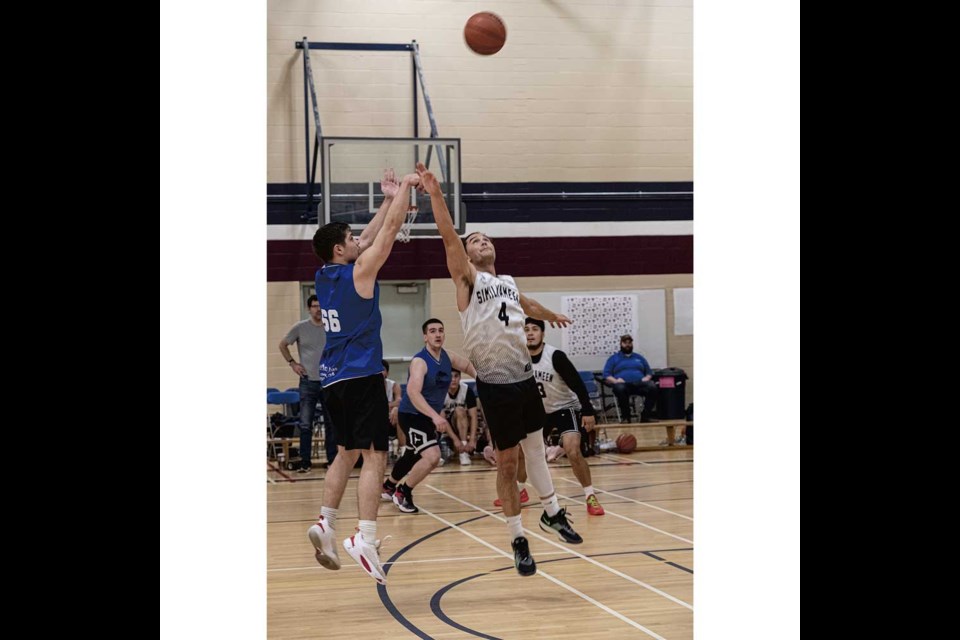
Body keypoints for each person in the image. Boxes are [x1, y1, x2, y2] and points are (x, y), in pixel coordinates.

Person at [417, 161, 582, 578]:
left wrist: (553, 315)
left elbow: (526, 306)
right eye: (475, 239)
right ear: (468, 254)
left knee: (535, 451)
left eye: (486, 238)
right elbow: (447, 237)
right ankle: (517, 538)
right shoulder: (467, 280)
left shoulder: (506, 280)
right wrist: (436, 195)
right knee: (508, 464)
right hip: (495, 384)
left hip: (525, 380)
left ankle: (553, 512)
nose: (481, 241)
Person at [306, 168, 421, 585]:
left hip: (332, 380)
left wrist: (388, 201)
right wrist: (406, 189)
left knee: (344, 452)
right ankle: (364, 537)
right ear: (340, 249)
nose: (359, 240)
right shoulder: (360, 274)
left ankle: (325, 521)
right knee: (375, 456)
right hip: (361, 376)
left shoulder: (326, 274)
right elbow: (384, 238)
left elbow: (369, 239)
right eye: (351, 239)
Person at [381, 319, 477, 513]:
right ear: (425, 337)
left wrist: (483, 380)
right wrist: (436, 417)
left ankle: (389, 486)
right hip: (412, 414)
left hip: (427, 416)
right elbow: (414, 393)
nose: (438, 334)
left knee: (413, 453)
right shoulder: (420, 361)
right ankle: (403, 492)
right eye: (432, 331)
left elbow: (467, 365)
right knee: (432, 457)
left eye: (441, 330)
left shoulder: (448, 357)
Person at [525, 318, 605, 516]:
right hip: (538, 411)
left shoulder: (555, 356)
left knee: (572, 449)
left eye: (535, 329)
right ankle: (520, 492)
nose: (530, 333)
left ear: (543, 333)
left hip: (564, 407)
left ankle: (590, 496)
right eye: (526, 330)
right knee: (521, 454)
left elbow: (577, 384)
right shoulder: (519, 357)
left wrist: (588, 411)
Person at [278, 294, 336, 472]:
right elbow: (282, 344)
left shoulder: (332, 327)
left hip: (329, 381)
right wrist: (293, 363)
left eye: (321, 306)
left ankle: (332, 461)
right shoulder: (300, 327)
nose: (318, 309)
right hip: (307, 381)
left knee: (331, 424)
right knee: (305, 424)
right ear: (309, 308)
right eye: (314, 306)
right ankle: (305, 462)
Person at [602, 334, 658, 423]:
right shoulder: (613, 358)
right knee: (619, 388)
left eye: (629, 343)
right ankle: (626, 417)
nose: (627, 345)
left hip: (639, 384)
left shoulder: (639, 357)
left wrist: (647, 378)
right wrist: (616, 381)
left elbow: (649, 372)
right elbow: (606, 375)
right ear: (621, 344)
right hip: (623, 385)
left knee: (653, 387)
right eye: (625, 343)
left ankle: (645, 416)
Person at [443, 369, 479, 465]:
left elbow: (474, 417)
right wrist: (455, 440)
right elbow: (441, 419)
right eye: (450, 377)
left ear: (460, 377)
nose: (453, 379)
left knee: (459, 410)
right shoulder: (440, 392)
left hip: (463, 425)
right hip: (446, 428)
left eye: (456, 376)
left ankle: (464, 452)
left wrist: (471, 440)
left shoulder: (467, 390)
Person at [382, 359, 403, 450]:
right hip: (376, 417)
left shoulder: (393, 385)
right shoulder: (369, 387)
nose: (380, 372)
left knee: (399, 414)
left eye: (382, 370)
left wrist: (395, 408)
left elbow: (399, 401)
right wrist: (391, 405)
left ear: (387, 373)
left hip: (391, 417)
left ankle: (403, 449)